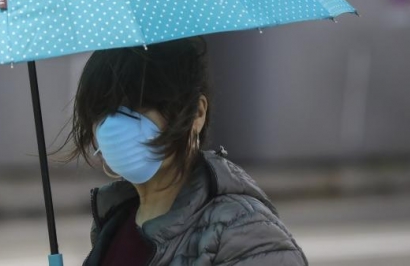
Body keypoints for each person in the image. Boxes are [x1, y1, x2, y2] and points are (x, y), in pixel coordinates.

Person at [64, 37, 307, 265]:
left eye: (138, 107)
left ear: (197, 113)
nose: (116, 126)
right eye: (104, 110)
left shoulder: (243, 231)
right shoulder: (115, 223)